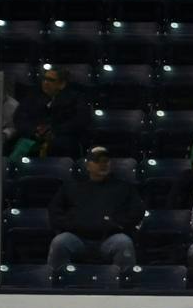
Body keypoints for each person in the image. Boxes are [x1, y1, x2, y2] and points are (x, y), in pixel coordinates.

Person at [46, 145, 143, 275]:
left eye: (106, 161)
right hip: (77, 238)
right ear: (88, 165)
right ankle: (56, 282)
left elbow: (137, 211)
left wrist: (118, 224)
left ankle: (127, 286)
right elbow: (54, 211)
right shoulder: (72, 187)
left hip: (110, 238)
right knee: (60, 242)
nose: (102, 164)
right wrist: (71, 224)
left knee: (124, 242)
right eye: (97, 161)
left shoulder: (124, 187)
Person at [10, 66, 83, 161]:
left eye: (51, 80)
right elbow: (19, 118)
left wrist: (54, 131)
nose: (45, 82)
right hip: (33, 138)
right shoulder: (32, 97)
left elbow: (80, 120)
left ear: (62, 84)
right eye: (44, 79)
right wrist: (35, 131)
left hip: (63, 140)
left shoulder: (75, 99)